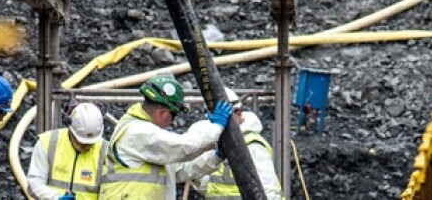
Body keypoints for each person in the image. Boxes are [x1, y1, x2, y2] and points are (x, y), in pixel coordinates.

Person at [98, 74, 234, 199]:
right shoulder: (137, 131)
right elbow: (185, 146)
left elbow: (179, 171)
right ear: (163, 112)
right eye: (173, 115)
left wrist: (215, 157)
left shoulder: (145, 138)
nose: (173, 121)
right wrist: (215, 127)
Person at [195, 88, 284, 200]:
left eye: (223, 118)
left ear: (238, 113)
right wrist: (196, 177)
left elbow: (270, 192)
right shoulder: (221, 144)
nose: (219, 124)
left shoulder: (252, 145)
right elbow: (215, 189)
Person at [27, 102, 109, 200]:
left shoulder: (106, 151)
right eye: (81, 141)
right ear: (70, 130)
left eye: (90, 143)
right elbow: (34, 183)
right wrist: (56, 198)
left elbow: (112, 192)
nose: (85, 146)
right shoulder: (48, 142)